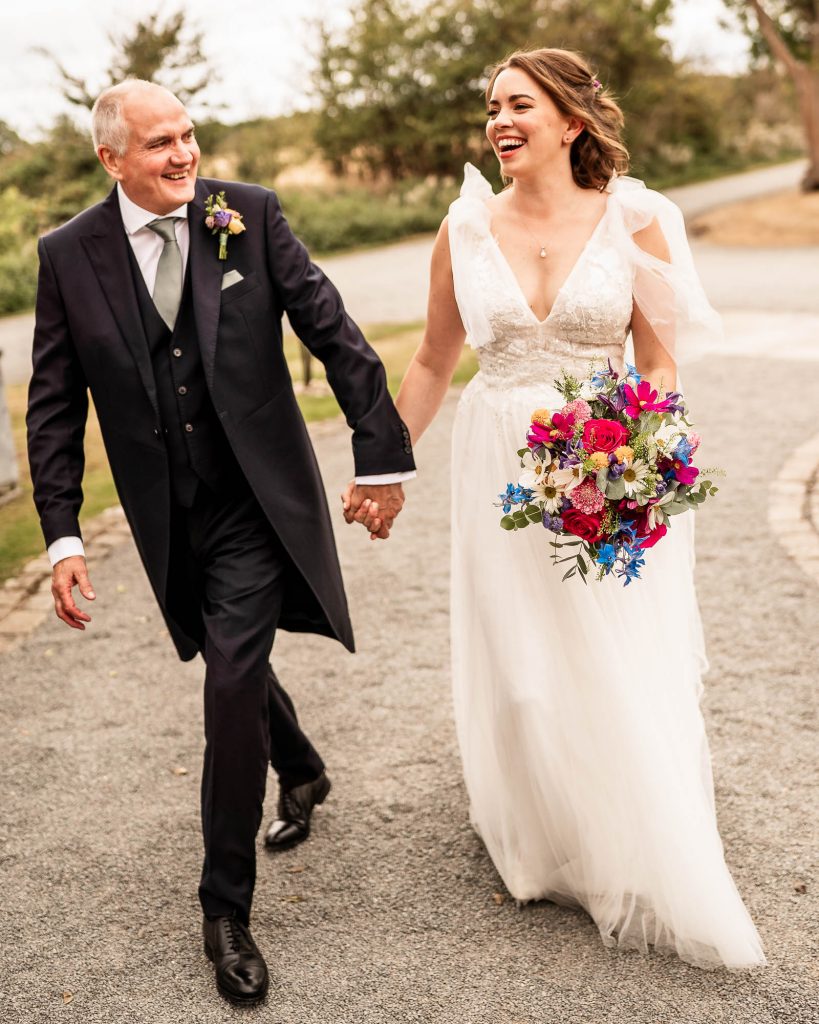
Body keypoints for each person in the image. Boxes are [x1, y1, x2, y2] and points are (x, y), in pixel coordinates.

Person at [345, 48, 765, 969]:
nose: (499, 120)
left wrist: (641, 457)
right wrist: (385, 468)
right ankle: (547, 835)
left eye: (519, 105)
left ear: (570, 122)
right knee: (527, 664)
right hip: (497, 460)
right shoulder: (462, 228)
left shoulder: (636, 218)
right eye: (491, 106)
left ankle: (636, 836)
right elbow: (428, 362)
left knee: (613, 652)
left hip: (605, 460)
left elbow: (657, 364)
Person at [26, 79, 414, 1006]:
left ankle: (224, 908)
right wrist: (63, 535)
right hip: (167, 517)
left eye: (189, 135)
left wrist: (379, 459)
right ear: (110, 158)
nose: (183, 156)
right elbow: (51, 406)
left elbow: (334, 331)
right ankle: (305, 770)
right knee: (227, 657)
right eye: (159, 143)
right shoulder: (66, 255)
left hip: (252, 502)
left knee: (230, 673)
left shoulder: (248, 216)